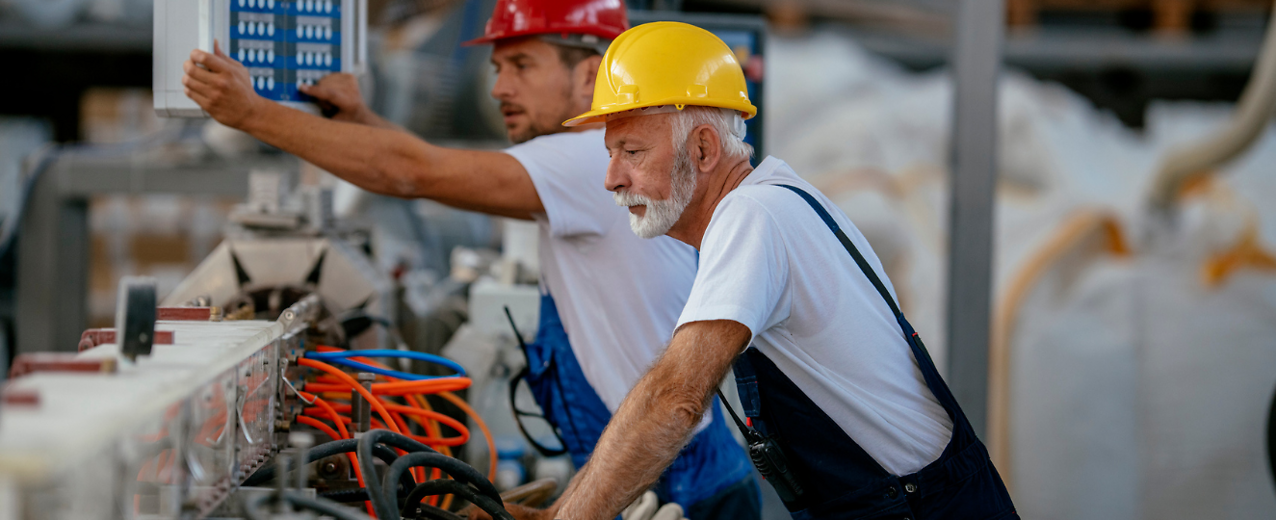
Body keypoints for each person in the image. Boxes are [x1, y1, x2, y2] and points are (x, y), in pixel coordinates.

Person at [179, 3, 758, 518]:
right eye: (497, 69)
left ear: (589, 73)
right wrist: (357, 123)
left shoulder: (588, 156)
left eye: (523, 66)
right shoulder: (595, 160)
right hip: (653, 475)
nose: (500, 88)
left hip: (679, 488)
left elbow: (415, 173)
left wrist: (250, 113)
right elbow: (428, 164)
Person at [529, 22, 1019, 520]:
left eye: (632, 152)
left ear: (702, 149)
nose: (612, 179)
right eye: (610, 154)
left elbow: (673, 398)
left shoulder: (752, 217)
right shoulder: (774, 201)